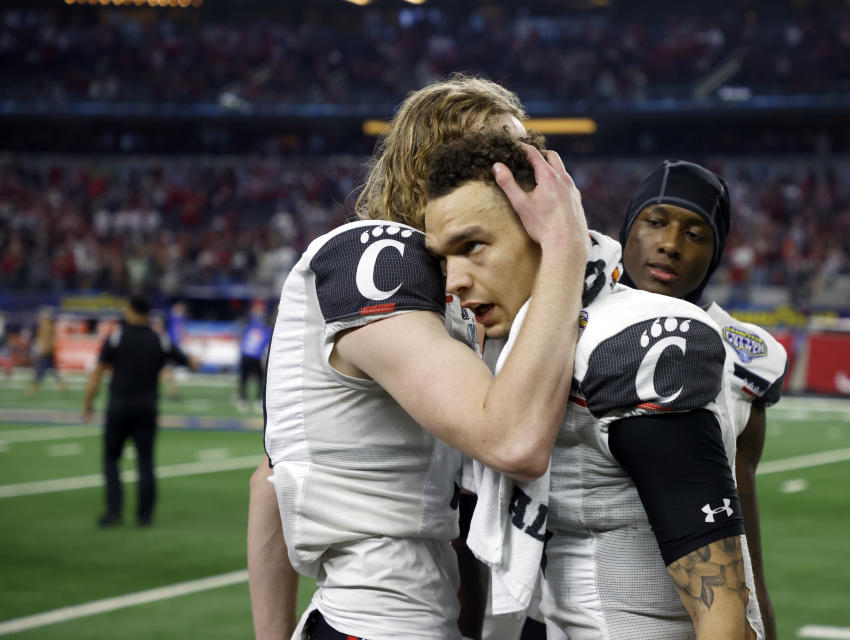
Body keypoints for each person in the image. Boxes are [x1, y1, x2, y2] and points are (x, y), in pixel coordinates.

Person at [255, 76, 589, 640]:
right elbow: (513, 441)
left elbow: (266, 479)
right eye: (500, 156)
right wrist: (566, 246)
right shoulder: (376, 254)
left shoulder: (453, 296)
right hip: (377, 622)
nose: (523, 173)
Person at [423, 131, 761, 639]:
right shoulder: (508, 345)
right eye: (445, 259)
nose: (455, 281)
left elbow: (723, 608)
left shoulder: (638, 342)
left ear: (541, 230)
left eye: (474, 247)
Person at [619, 160, 788, 640]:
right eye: (655, 222)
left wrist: (763, 618)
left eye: (695, 233)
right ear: (628, 226)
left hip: (693, 610)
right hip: (562, 602)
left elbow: (740, 500)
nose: (670, 244)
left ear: (715, 253)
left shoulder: (746, 359)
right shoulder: (567, 316)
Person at [82, 295, 197, 527]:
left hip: (119, 406)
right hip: (146, 407)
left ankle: (114, 512)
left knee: (111, 460)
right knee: (146, 462)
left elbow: (99, 372)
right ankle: (145, 515)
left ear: (131, 311)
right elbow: (189, 362)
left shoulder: (117, 337)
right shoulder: (159, 339)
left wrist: (88, 402)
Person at [237, 299, 271, 411]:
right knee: (244, 377)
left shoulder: (264, 323)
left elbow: (267, 337)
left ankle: (258, 398)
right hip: (247, 354)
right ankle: (242, 397)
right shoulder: (250, 322)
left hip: (256, 355)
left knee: (260, 378)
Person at [28, 307, 66, 394]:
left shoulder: (46, 326)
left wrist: (43, 350)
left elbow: (46, 340)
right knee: (52, 369)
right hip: (47, 350)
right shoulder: (48, 325)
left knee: (42, 369)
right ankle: (61, 383)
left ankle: (34, 385)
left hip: (46, 351)